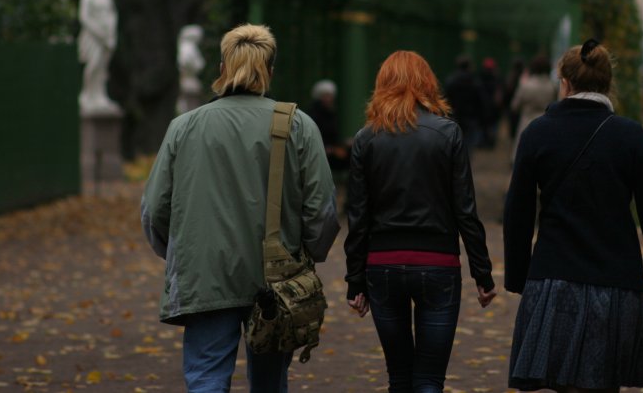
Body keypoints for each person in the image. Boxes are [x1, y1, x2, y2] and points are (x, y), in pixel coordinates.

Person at [141, 24, 340, 393]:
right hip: (277, 277)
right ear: (270, 71)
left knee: (206, 377)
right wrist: (308, 253)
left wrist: (178, 252)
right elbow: (323, 211)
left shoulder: (183, 128)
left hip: (204, 272)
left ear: (221, 69)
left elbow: (154, 210)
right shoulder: (297, 125)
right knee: (270, 382)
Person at [504, 39, 643, 393]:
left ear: (566, 83)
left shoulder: (537, 133)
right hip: (617, 286)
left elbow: (518, 212)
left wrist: (518, 276)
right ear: (607, 84)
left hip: (553, 281)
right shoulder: (630, 136)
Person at [344, 50, 497, 393]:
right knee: (429, 379)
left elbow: (358, 216)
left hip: (382, 264)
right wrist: (482, 273)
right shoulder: (448, 134)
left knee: (399, 377)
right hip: (438, 264)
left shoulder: (366, 138)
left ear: (382, 85)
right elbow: (465, 210)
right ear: (427, 84)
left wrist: (355, 281)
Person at [78, 0, 120, 114]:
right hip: (93, 37)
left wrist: (110, 35)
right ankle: (88, 94)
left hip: (107, 37)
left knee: (103, 67)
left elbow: (112, 15)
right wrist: (100, 34)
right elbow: (84, 18)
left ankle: (100, 95)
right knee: (94, 64)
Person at [510, 54, 557, 159]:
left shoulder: (526, 85)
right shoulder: (552, 87)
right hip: (546, 124)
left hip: (526, 122)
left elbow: (515, 106)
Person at [305, 79, 350, 172]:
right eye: (326, 95)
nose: (329, 98)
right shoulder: (315, 114)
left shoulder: (330, 113)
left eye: (330, 96)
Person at [443, 55, 484, 152]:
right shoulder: (475, 81)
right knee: (468, 144)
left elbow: (445, 98)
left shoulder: (451, 80)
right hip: (470, 116)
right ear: (469, 66)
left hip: (454, 115)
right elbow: (480, 100)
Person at [478, 57, 504, 149]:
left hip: (484, 105)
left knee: (484, 126)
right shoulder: (497, 78)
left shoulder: (481, 78)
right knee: (492, 126)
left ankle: (484, 142)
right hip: (493, 106)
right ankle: (491, 142)